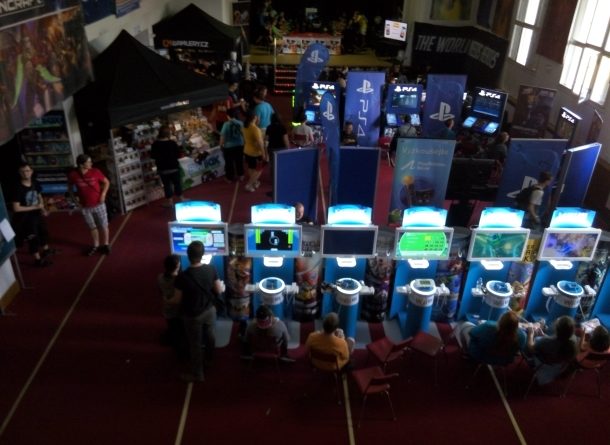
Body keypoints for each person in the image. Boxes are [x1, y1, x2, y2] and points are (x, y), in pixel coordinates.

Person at [169, 241, 223, 383]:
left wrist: (166, 299)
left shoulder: (182, 277)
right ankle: (209, 360)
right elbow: (218, 290)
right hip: (210, 310)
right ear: (202, 255)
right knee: (210, 336)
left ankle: (198, 374)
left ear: (187, 256)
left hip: (192, 316)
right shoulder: (211, 269)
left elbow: (176, 300)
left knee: (195, 344)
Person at [10, 162, 55, 267]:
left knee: (43, 232)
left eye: (27, 170)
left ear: (31, 171)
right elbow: (16, 208)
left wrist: (42, 208)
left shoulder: (35, 183)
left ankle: (46, 250)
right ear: (19, 173)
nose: (25, 173)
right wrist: (35, 207)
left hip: (37, 214)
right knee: (33, 237)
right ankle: (38, 260)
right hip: (25, 218)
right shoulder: (17, 188)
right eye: (22, 171)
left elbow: (39, 196)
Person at [68, 154, 111, 256]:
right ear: (81, 164)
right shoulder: (73, 175)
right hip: (85, 206)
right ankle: (96, 245)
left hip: (99, 204)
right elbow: (69, 188)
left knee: (103, 224)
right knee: (92, 226)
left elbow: (106, 182)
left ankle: (106, 244)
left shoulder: (95, 171)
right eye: (89, 162)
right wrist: (75, 200)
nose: (91, 163)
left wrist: (103, 194)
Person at [457, 311, 526, 366]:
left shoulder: (488, 326)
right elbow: (518, 352)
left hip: (481, 355)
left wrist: (480, 326)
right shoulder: (522, 336)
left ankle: (467, 353)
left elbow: (472, 333)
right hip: (504, 360)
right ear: (517, 325)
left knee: (465, 325)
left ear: (501, 320)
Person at [526, 315, 578, 385]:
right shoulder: (573, 340)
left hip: (543, 362)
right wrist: (543, 335)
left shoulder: (546, 341)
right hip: (557, 365)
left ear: (556, 329)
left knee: (534, 339)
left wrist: (530, 334)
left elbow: (531, 348)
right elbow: (556, 341)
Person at [158, 254, 186, 358]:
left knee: (173, 329)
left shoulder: (160, 277)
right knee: (182, 332)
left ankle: (175, 346)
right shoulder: (179, 280)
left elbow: (161, 292)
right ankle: (182, 353)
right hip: (180, 311)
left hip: (167, 310)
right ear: (177, 266)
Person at [150, 125, 183, 208]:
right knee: (177, 183)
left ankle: (170, 201)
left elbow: (153, 156)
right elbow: (178, 154)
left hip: (163, 169)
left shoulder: (155, 144)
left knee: (167, 185)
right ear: (168, 134)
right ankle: (181, 198)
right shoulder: (172, 143)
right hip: (174, 167)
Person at [242, 111, 268, 193]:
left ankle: (255, 182)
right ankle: (249, 184)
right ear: (254, 118)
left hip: (247, 150)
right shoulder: (255, 129)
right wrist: (263, 153)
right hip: (255, 153)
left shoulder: (244, 127)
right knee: (259, 169)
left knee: (251, 167)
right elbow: (260, 143)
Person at [219, 109, 245, 183]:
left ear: (227, 116)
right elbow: (244, 134)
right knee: (239, 161)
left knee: (229, 163)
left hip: (229, 147)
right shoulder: (241, 123)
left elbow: (222, 136)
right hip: (239, 145)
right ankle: (241, 175)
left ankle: (230, 178)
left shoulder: (226, 124)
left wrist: (221, 145)